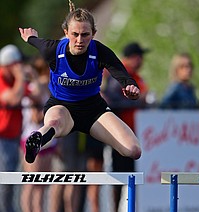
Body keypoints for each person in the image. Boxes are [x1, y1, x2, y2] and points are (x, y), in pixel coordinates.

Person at [18, 0, 141, 173]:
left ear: (94, 33)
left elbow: (122, 75)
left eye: (85, 35)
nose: (79, 40)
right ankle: (37, 140)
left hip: (93, 111)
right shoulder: (53, 50)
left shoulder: (100, 52)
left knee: (133, 150)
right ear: (66, 32)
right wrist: (30, 37)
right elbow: (37, 42)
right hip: (62, 107)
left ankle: (41, 137)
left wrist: (131, 88)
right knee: (55, 121)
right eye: (75, 34)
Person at [103, 41, 150, 212]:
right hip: (119, 133)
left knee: (131, 176)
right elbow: (114, 102)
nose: (142, 60)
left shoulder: (133, 75)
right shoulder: (120, 75)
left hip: (131, 133)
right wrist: (139, 102)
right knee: (119, 176)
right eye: (140, 56)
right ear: (134, 57)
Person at [20, 55, 57, 212]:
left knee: (42, 185)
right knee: (31, 183)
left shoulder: (50, 89)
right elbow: (36, 117)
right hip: (31, 139)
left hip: (48, 141)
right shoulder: (34, 88)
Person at [0, 44, 27, 212]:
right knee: (3, 181)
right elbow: (14, 99)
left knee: (9, 182)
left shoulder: (15, 80)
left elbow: (36, 96)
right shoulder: (2, 79)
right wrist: (21, 77)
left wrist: (34, 77)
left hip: (12, 137)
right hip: (2, 137)